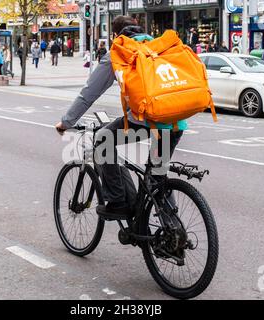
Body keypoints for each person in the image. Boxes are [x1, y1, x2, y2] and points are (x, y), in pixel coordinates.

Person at [55, 16, 184, 219]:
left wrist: (66, 122)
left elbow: (89, 93)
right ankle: (174, 232)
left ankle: (118, 202)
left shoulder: (119, 52)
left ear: (116, 35)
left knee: (102, 140)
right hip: (177, 121)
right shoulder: (158, 45)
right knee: (158, 176)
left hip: (147, 121)